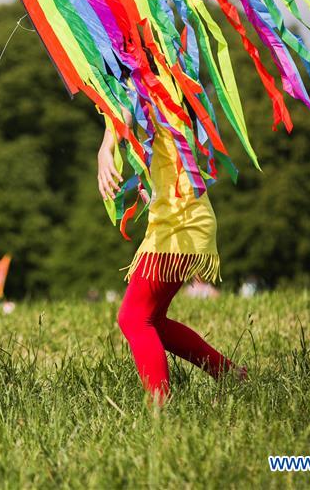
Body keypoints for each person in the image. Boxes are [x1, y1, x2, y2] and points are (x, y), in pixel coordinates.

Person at [99, 111, 245, 406]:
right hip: (181, 220)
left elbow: (125, 112)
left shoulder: (140, 83)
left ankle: (160, 407)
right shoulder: (159, 92)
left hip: (180, 225)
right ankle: (231, 375)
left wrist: (106, 149)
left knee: (134, 319)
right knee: (153, 320)